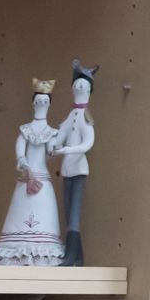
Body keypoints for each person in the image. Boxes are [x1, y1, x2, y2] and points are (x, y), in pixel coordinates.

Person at [0, 79, 64, 265]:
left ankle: (43, 252)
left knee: (44, 214)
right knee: (20, 213)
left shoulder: (51, 132)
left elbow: (51, 151)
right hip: (27, 179)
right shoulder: (25, 130)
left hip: (42, 179)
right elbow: (20, 152)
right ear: (33, 103)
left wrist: (57, 143)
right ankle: (16, 250)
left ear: (49, 104)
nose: (41, 103)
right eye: (38, 100)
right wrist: (24, 164)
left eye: (45, 101)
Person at [51, 58, 99, 267]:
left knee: (74, 213)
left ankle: (71, 255)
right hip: (67, 169)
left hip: (78, 169)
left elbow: (88, 143)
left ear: (89, 90)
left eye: (83, 84)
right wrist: (53, 144)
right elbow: (61, 134)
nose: (79, 86)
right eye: (76, 84)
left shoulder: (85, 116)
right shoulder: (72, 114)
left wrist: (67, 150)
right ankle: (77, 257)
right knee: (68, 211)